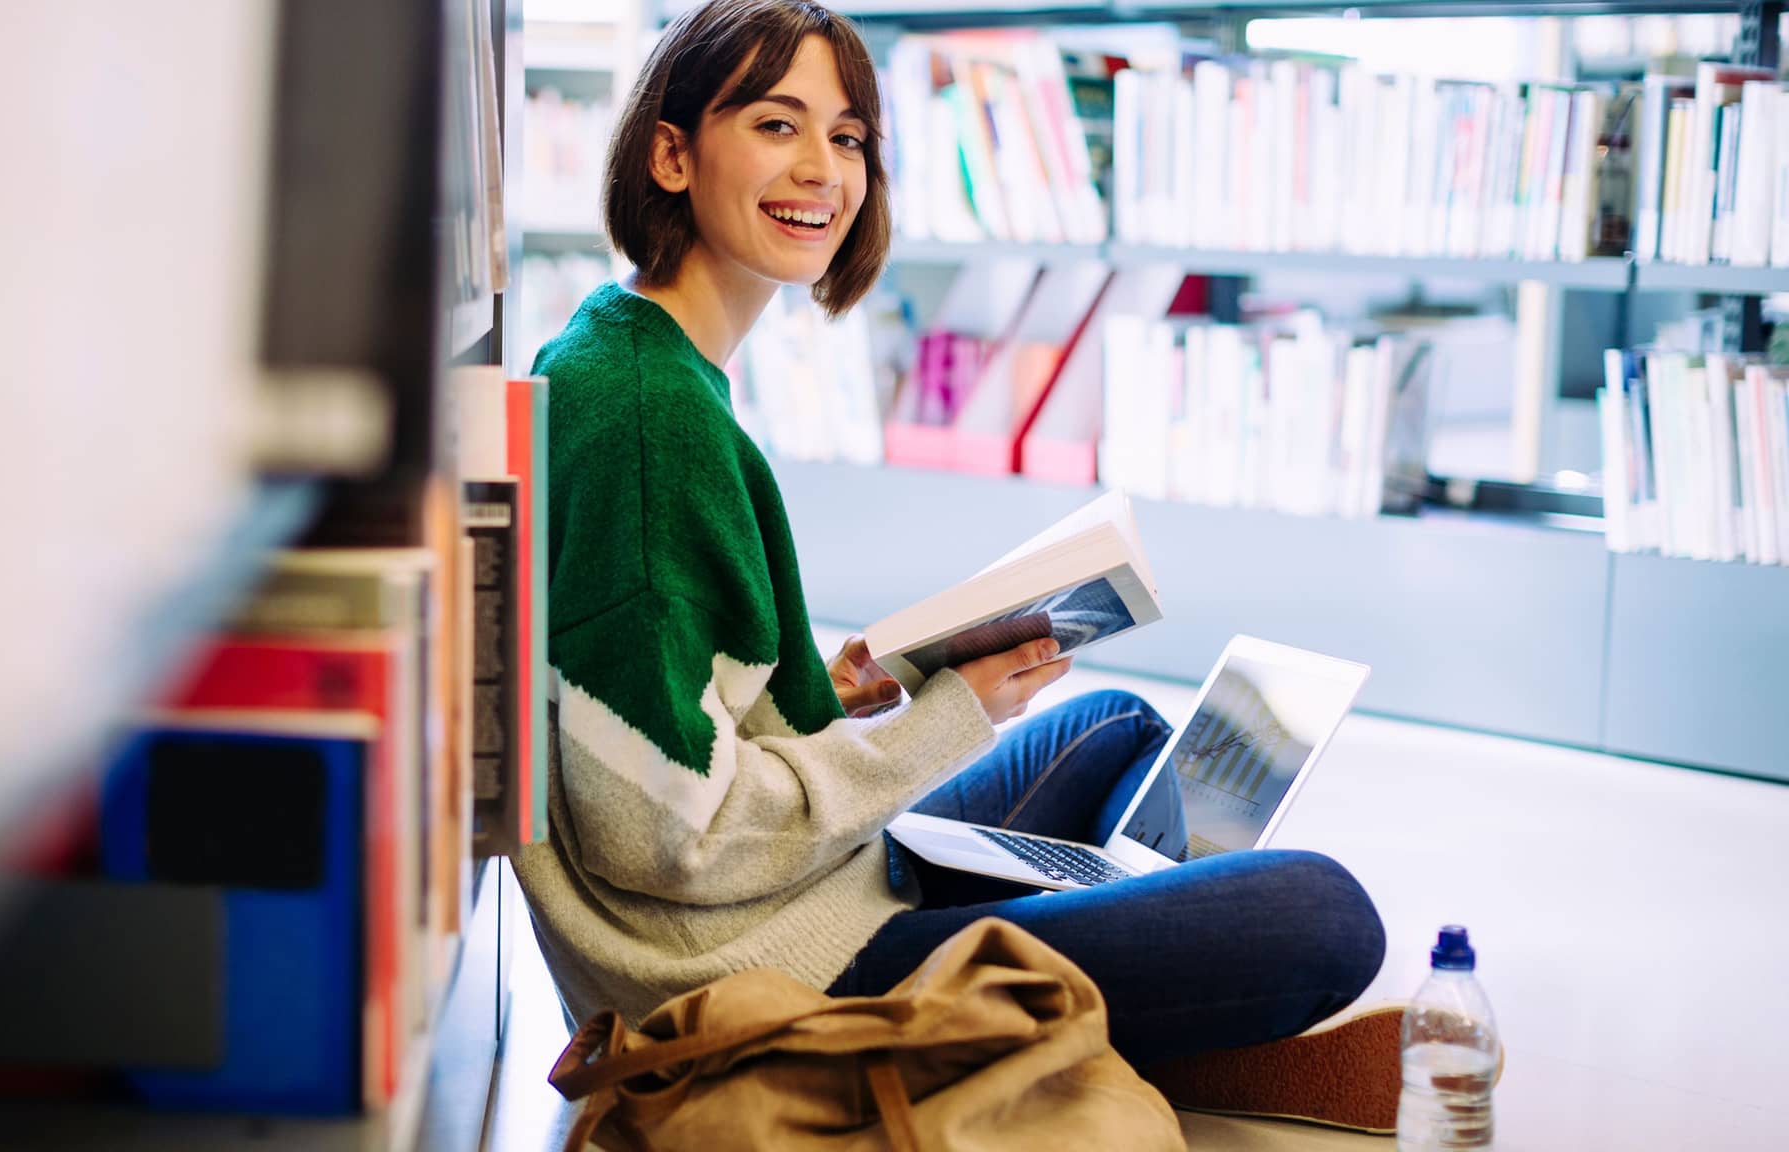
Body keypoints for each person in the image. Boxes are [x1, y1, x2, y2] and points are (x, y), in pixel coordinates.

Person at [511, 0, 1396, 1128]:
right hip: (752, 968)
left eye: (845, 138)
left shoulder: (629, 353)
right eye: (776, 125)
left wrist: (825, 693)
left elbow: (662, 692)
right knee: (1320, 916)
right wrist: (939, 719)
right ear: (671, 153)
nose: (821, 172)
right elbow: (663, 837)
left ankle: (1098, 979)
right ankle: (1134, 1008)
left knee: (1109, 723)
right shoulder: (649, 420)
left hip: (794, 891)